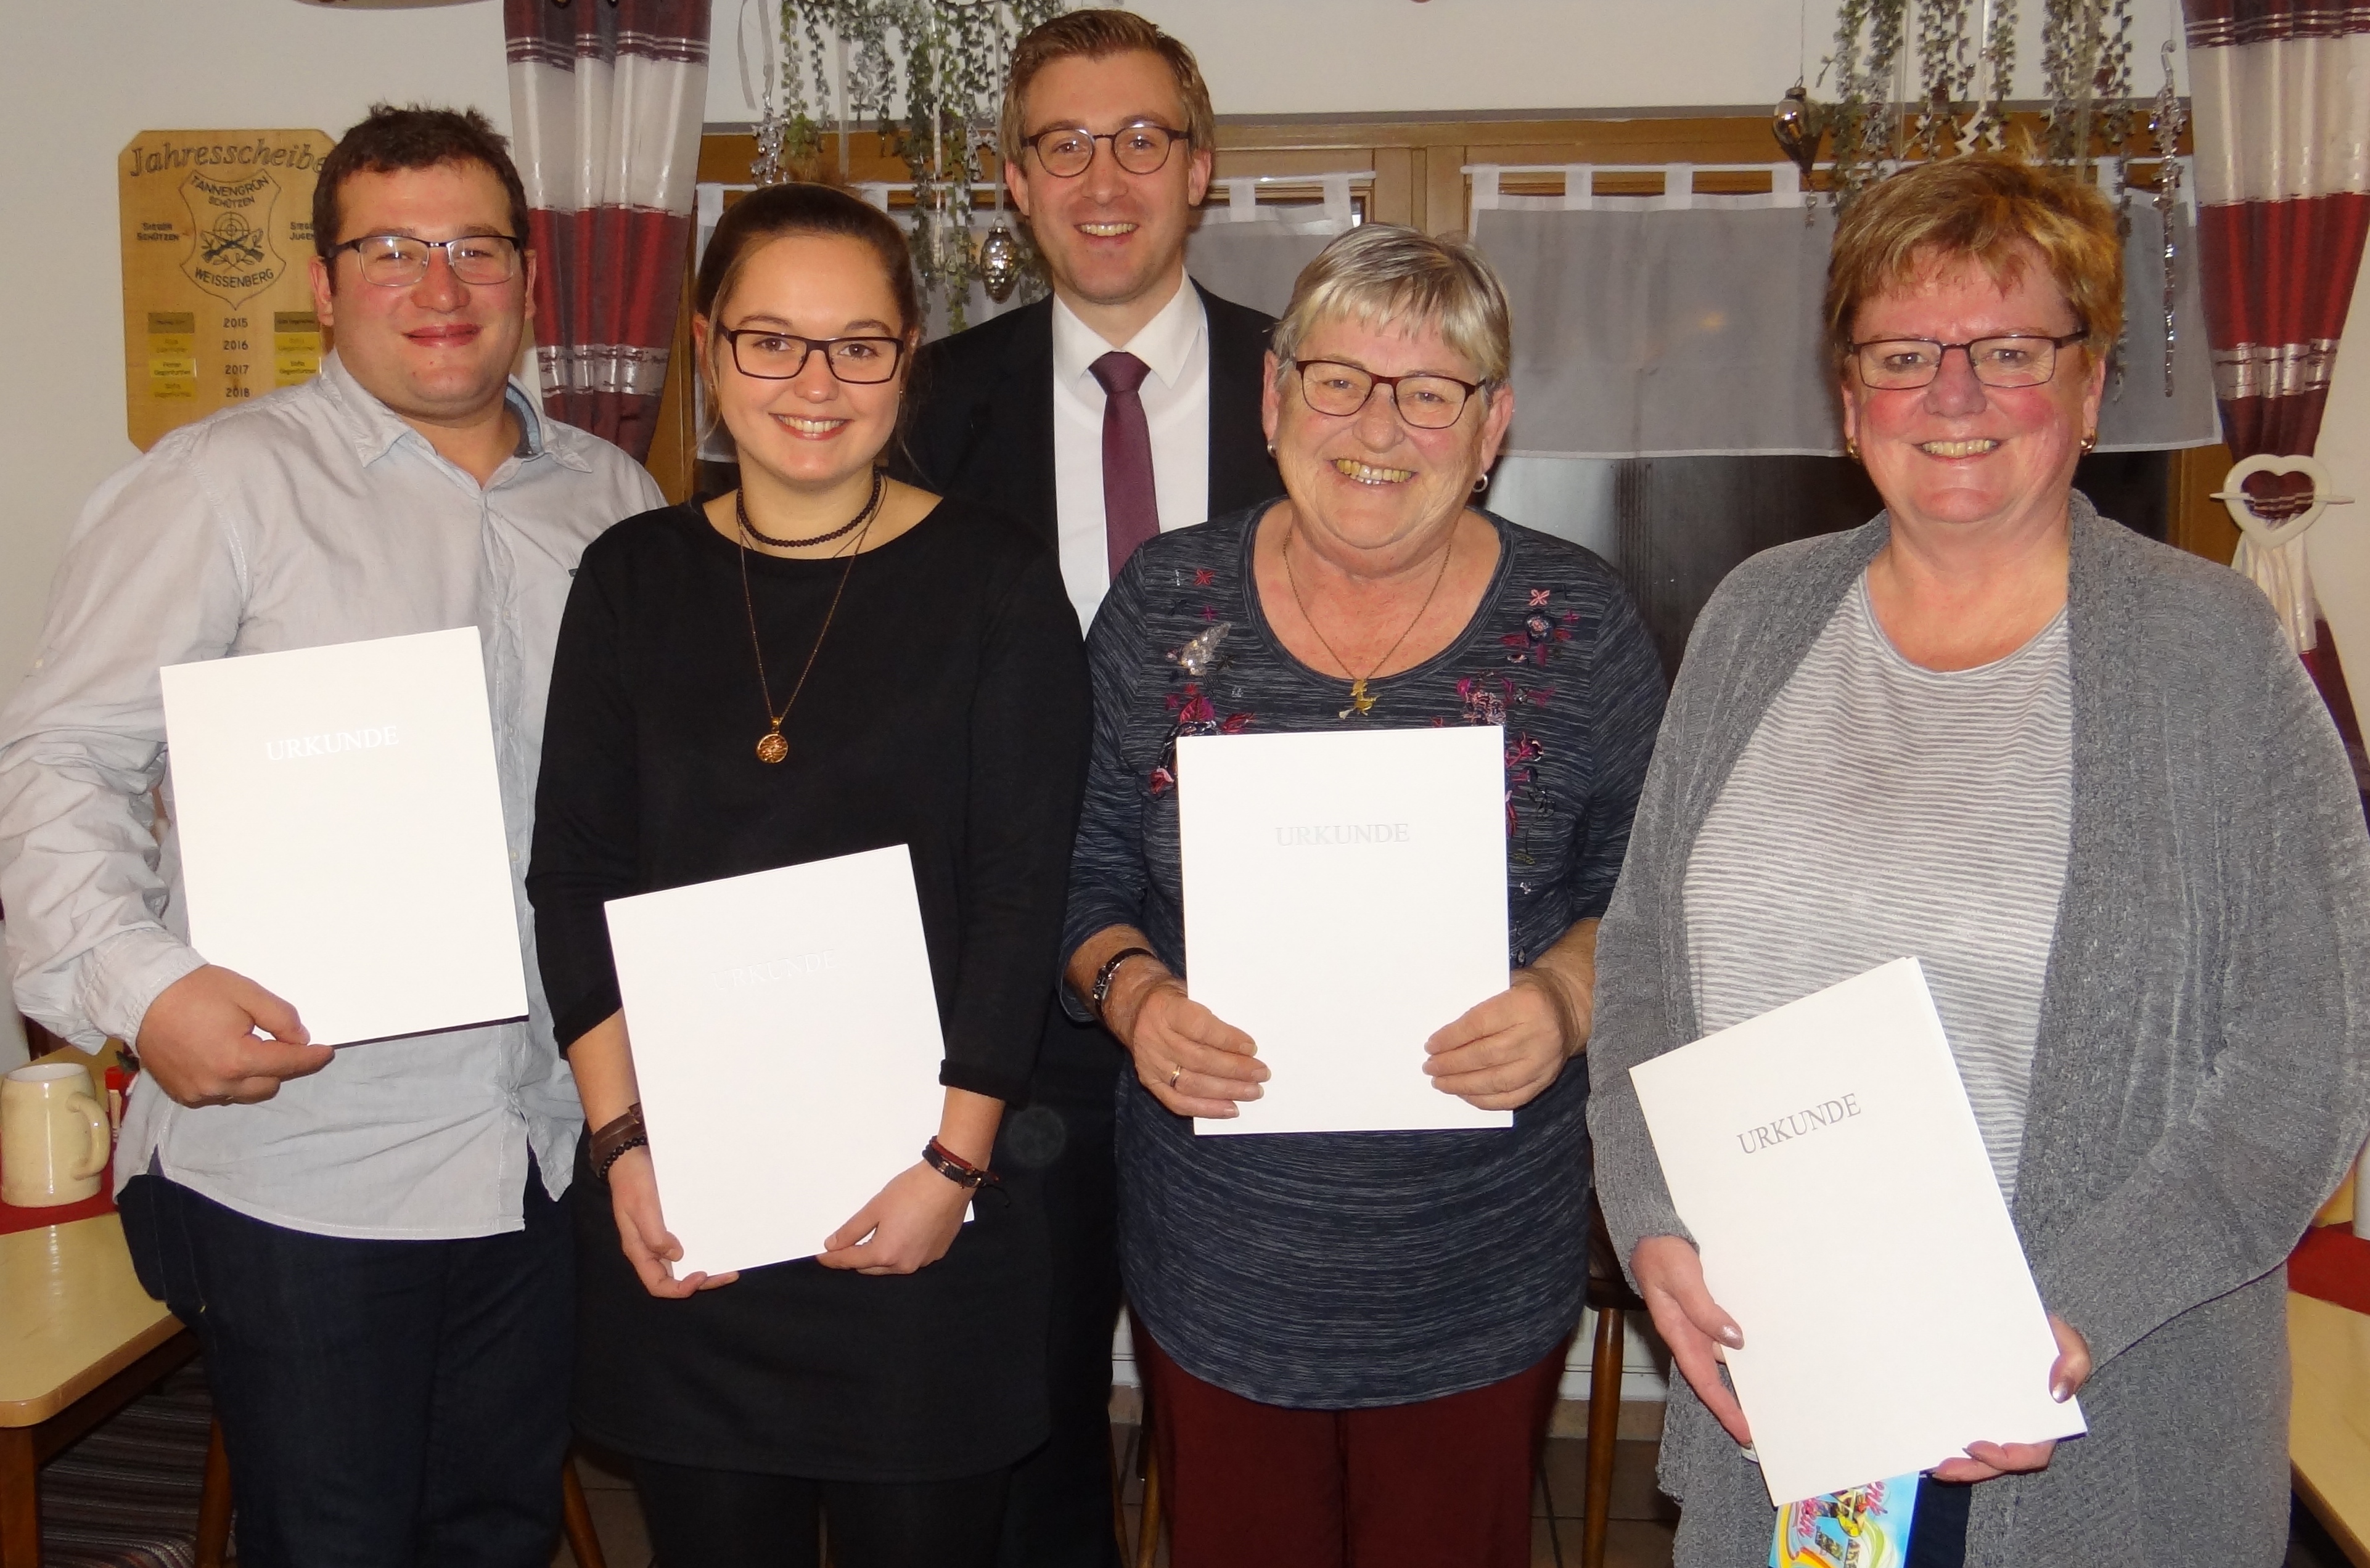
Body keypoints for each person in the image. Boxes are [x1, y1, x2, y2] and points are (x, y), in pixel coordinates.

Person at [1586, 152, 2370, 1568]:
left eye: (2006, 350)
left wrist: (2057, 1317)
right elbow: (1643, 957)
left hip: (2095, 1406)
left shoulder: (2206, 653)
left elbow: (2307, 1061)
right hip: (1795, 1398)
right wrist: (1649, 1219)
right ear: (1846, 398)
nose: (1951, 398)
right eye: (1903, 354)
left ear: (2085, 385)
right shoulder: (1756, 620)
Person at [0, 105, 661, 1567]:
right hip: (310, 1156)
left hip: (546, 1146)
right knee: (331, 1543)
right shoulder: (218, 483)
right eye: (390, 251)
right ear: (321, 282)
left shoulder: (616, 504)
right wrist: (138, 988)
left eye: (475, 247)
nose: (439, 288)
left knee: (497, 1531)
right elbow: (58, 761)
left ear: (529, 277)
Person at [1060, 223, 1666, 1568]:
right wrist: (1132, 991)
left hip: (1472, 1250)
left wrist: (1565, 997)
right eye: (1339, 380)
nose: (1376, 426)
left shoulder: (1580, 622)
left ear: (1490, 423)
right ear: (1274, 396)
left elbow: (1657, 892)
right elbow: (1081, 867)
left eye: (1428, 391)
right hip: (1222, 1253)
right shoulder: (1164, 607)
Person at [526, 181, 1091, 1568]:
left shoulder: (999, 583)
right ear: (709, 351)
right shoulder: (628, 578)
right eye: (770, 340)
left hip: (923, 1212)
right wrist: (623, 1148)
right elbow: (577, 879)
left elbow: (1023, 898)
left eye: (858, 344)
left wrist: (951, 1163)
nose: (814, 382)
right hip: (696, 1210)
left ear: (910, 357)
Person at [896, 14, 1281, 1563]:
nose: (1101, 177)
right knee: (1030, 1410)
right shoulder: (923, 410)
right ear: (1012, 181)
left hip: (1267, 991)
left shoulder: (1313, 386)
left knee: (1248, 1410)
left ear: (1198, 171)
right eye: (1062, 144)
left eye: (1139, 141)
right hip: (1017, 1000)